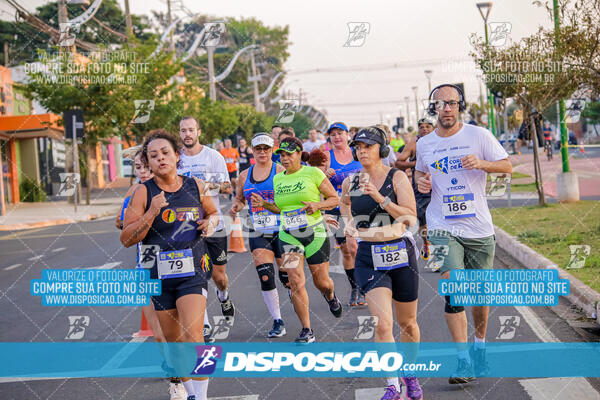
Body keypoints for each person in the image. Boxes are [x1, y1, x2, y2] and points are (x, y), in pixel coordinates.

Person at [415, 84, 512, 384]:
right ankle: (462, 360)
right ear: (433, 107)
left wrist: (482, 163)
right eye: (441, 103)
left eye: (452, 103)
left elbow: (507, 166)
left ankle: (479, 344)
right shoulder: (425, 144)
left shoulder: (478, 135)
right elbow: (420, 172)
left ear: (460, 106)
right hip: (442, 225)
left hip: (478, 227)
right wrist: (422, 182)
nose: (446, 108)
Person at [120, 130, 219, 400]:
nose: (160, 158)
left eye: (165, 153)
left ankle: (201, 397)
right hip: (158, 276)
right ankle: (190, 392)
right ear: (148, 163)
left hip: (193, 273)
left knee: (194, 336)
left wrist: (210, 223)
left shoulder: (196, 186)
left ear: (177, 155)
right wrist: (152, 211)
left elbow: (213, 213)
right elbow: (126, 238)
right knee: (174, 344)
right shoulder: (142, 192)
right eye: (153, 155)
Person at [340, 126, 422, 400]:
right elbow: (344, 205)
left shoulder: (396, 177)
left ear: (381, 149)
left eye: (368, 146)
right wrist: (350, 228)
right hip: (369, 257)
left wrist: (379, 198)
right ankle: (392, 384)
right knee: (383, 324)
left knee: (407, 323)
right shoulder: (350, 181)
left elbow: (410, 218)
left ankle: (409, 373)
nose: (361, 151)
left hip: (400, 252)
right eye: (358, 147)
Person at [250, 137, 342, 343]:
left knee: (322, 282)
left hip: (314, 234)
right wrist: (264, 204)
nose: (284, 158)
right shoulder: (278, 178)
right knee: (295, 280)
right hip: (289, 236)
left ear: (300, 154)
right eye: (281, 155)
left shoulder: (313, 173)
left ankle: (331, 296)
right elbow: (281, 208)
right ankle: (307, 329)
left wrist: (317, 206)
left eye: (288, 154)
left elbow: (334, 199)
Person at [117, 148, 186, 400]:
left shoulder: (173, 187)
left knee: (179, 328)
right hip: (144, 267)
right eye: (138, 167)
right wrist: (141, 215)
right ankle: (174, 374)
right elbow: (121, 224)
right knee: (158, 332)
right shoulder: (134, 193)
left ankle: (182, 374)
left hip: (174, 265)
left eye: (145, 166)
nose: (143, 171)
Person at [177, 116, 235, 343]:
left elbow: (228, 188)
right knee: (196, 277)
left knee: (218, 276)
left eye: (191, 130)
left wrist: (204, 185)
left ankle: (224, 296)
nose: (187, 134)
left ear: (198, 131)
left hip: (214, 224)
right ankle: (205, 325)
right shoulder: (176, 159)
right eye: (183, 130)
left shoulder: (213, 156)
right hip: (186, 228)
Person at [230, 133, 287, 338]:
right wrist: (236, 207)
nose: (262, 152)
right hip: (258, 230)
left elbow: (290, 203)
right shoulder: (245, 176)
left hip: (283, 230)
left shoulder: (281, 171)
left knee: (288, 278)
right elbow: (240, 199)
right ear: (252, 151)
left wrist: (268, 205)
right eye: (258, 149)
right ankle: (278, 320)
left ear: (273, 150)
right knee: (265, 274)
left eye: (266, 149)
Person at [323, 122, 364, 307]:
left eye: (340, 133)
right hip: (335, 210)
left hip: (358, 208)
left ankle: (365, 285)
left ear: (348, 135)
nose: (337, 137)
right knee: (347, 250)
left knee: (356, 247)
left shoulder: (359, 154)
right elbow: (314, 179)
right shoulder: (326, 156)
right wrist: (324, 174)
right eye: (333, 135)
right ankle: (356, 287)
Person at [396, 115, 436, 261]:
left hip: (440, 187)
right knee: (423, 220)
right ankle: (427, 243)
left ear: (434, 128)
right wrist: (417, 165)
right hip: (420, 187)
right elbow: (398, 163)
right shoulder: (414, 144)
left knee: (440, 220)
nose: (424, 129)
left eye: (428, 126)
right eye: (421, 127)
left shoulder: (441, 142)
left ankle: (438, 251)